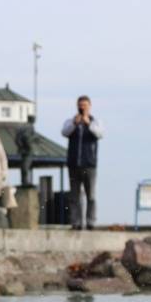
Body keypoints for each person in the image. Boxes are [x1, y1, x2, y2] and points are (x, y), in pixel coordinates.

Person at [61, 95, 104, 230]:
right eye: (80, 105)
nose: (82, 107)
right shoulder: (71, 121)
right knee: (74, 195)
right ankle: (76, 222)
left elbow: (99, 134)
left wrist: (87, 123)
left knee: (90, 195)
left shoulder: (95, 122)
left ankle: (91, 222)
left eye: (84, 105)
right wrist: (75, 123)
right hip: (73, 164)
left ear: (89, 106)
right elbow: (64, 132)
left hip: (89, 164)